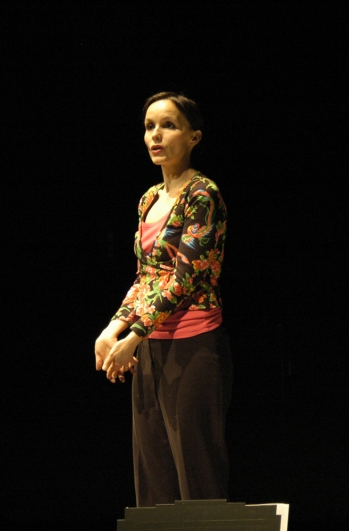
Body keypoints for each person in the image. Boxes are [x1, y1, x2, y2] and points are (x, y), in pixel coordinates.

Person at [94, 92, 232, 506]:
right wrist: (112, 329)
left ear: (194, 137)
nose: (156, 135)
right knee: (153, 478)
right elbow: (147, 277)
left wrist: (132, 337)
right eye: (149, 126)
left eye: (168, 125)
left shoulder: (202, 194)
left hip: (193, 345)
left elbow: (184, 278)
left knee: (196, 474)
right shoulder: (149, 198)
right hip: (150, 345)